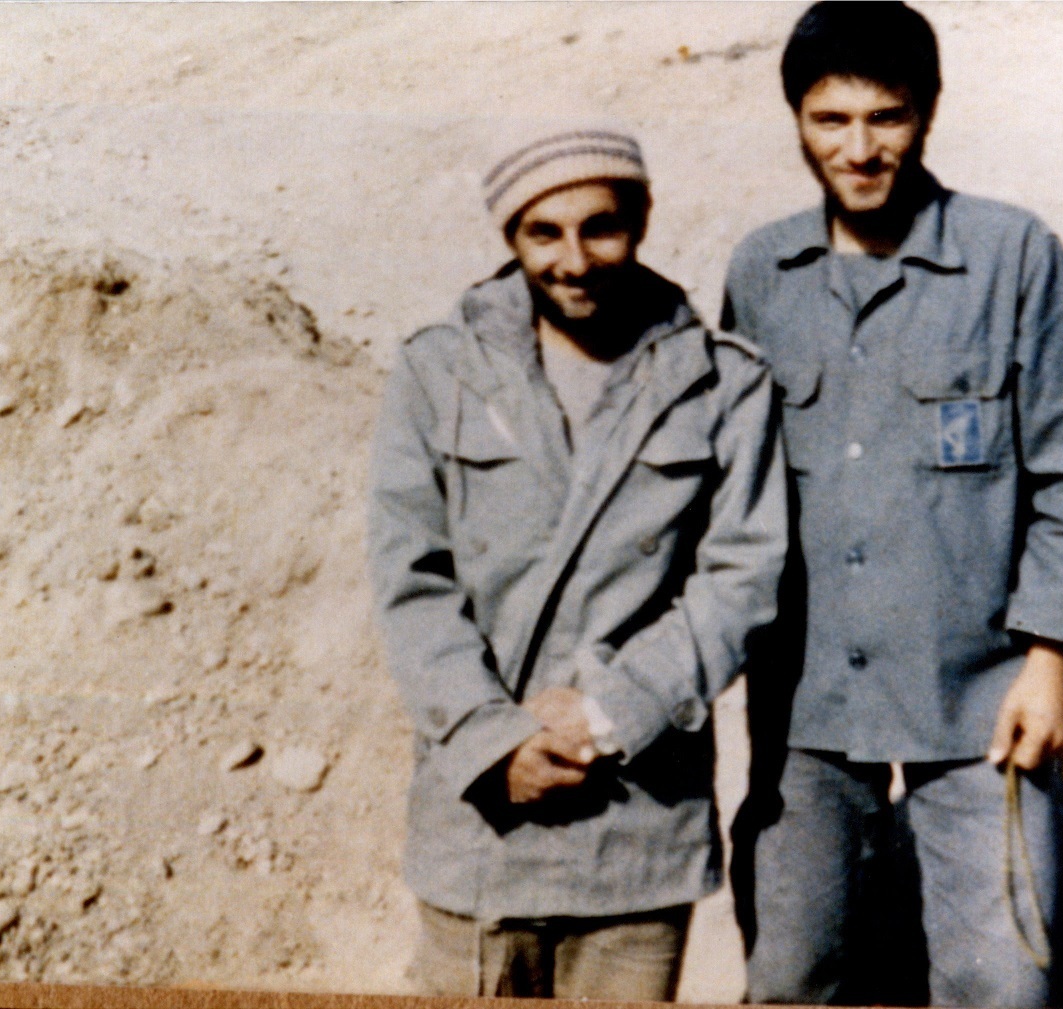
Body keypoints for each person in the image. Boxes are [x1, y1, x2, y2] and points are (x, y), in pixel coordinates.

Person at [720, 4, 1063, 1006]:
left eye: (885, 117)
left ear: (928, 112)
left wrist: (1050, 660)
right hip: (806, 692)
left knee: (1002, 983)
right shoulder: (761, 272)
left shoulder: (1011, 254)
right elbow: (731, 481)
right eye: (830, 119)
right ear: (797, 121)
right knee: (790, 973)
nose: (858, 150)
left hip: (978, 692)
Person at [368, 125, 786, 999]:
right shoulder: (438, 371)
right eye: (543, 232)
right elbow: (412, 585)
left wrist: (609, 713)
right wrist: (495, 741)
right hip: (481, 821)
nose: (575, 260)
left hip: (637, 825)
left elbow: (741, 577)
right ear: (509, 234)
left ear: (642, 219)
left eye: (601, 226)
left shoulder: (722, 382)